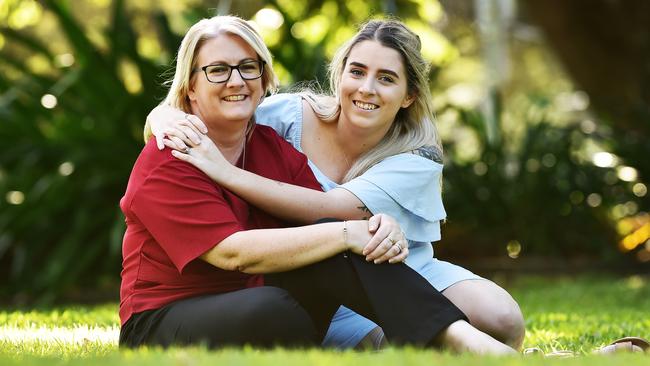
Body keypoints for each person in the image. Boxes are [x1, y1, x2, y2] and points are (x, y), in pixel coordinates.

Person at [121, 15, 516, 354]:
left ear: (264, 77)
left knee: (323, 263)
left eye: (248, 67)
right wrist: (161, 116)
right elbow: (233, 255)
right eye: (218, 70)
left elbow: (322, 216)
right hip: (165, 315)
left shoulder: (268, 142)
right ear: (190, 85)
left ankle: (468, 343)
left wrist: (381, 229)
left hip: (257, 294)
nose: (236, 81)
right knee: (278, 310)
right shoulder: (170, 157)